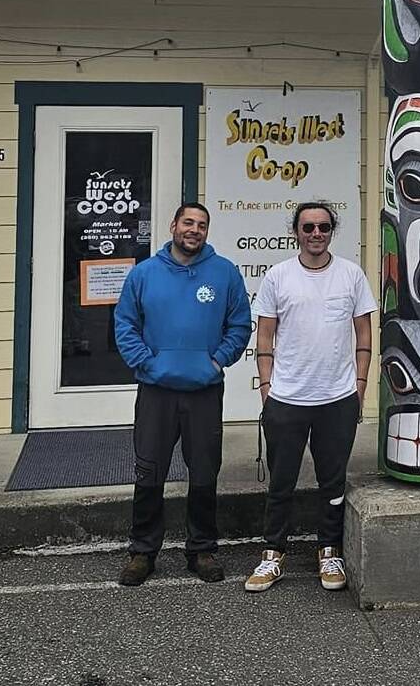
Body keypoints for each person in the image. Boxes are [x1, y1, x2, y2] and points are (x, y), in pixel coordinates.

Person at [113, 201, 251, 586]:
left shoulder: (224, 273)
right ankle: (142, 551)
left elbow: (240, 324)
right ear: (173, 225)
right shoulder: (144, 274)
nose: (194, 229)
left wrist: (217, 361)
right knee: (149, 470)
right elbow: (125, 324)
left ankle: (201, 550)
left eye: (202, 224)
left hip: (204, 391)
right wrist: (149, 364)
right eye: (188, 222)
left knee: (205, 471)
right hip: (156, 391)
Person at [245, 201, 377, 594]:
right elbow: (264, 335)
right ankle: (273, 553)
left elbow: (364, 335)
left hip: (337, 398)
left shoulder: (351, 275)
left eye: (323, 227)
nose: (315, 234)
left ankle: (329, 549)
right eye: (308, 227)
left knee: (333, 482)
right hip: (287, 397)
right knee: (280, 481)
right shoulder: (278, 276)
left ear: (331, 230)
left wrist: (360, 386)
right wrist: (267, 389)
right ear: (296, 232)